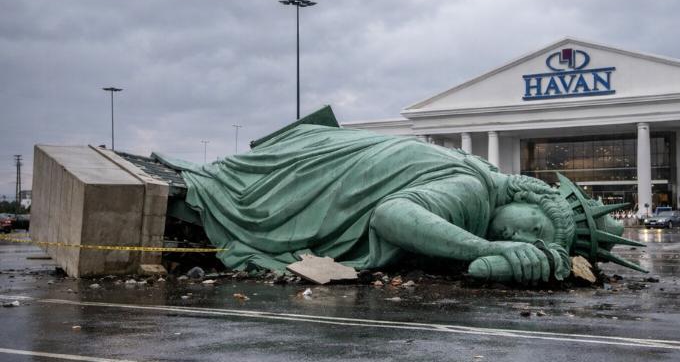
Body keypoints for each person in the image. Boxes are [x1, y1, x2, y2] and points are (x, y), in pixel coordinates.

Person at [158, 114, 641, 285]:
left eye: (533, 241)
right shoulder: (473, 190)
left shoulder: (481, 173)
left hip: (300, 162)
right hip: (291, 189)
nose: (519, 237)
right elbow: (393, 215)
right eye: (534, 228)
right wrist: (488, 250)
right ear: (531, 197)